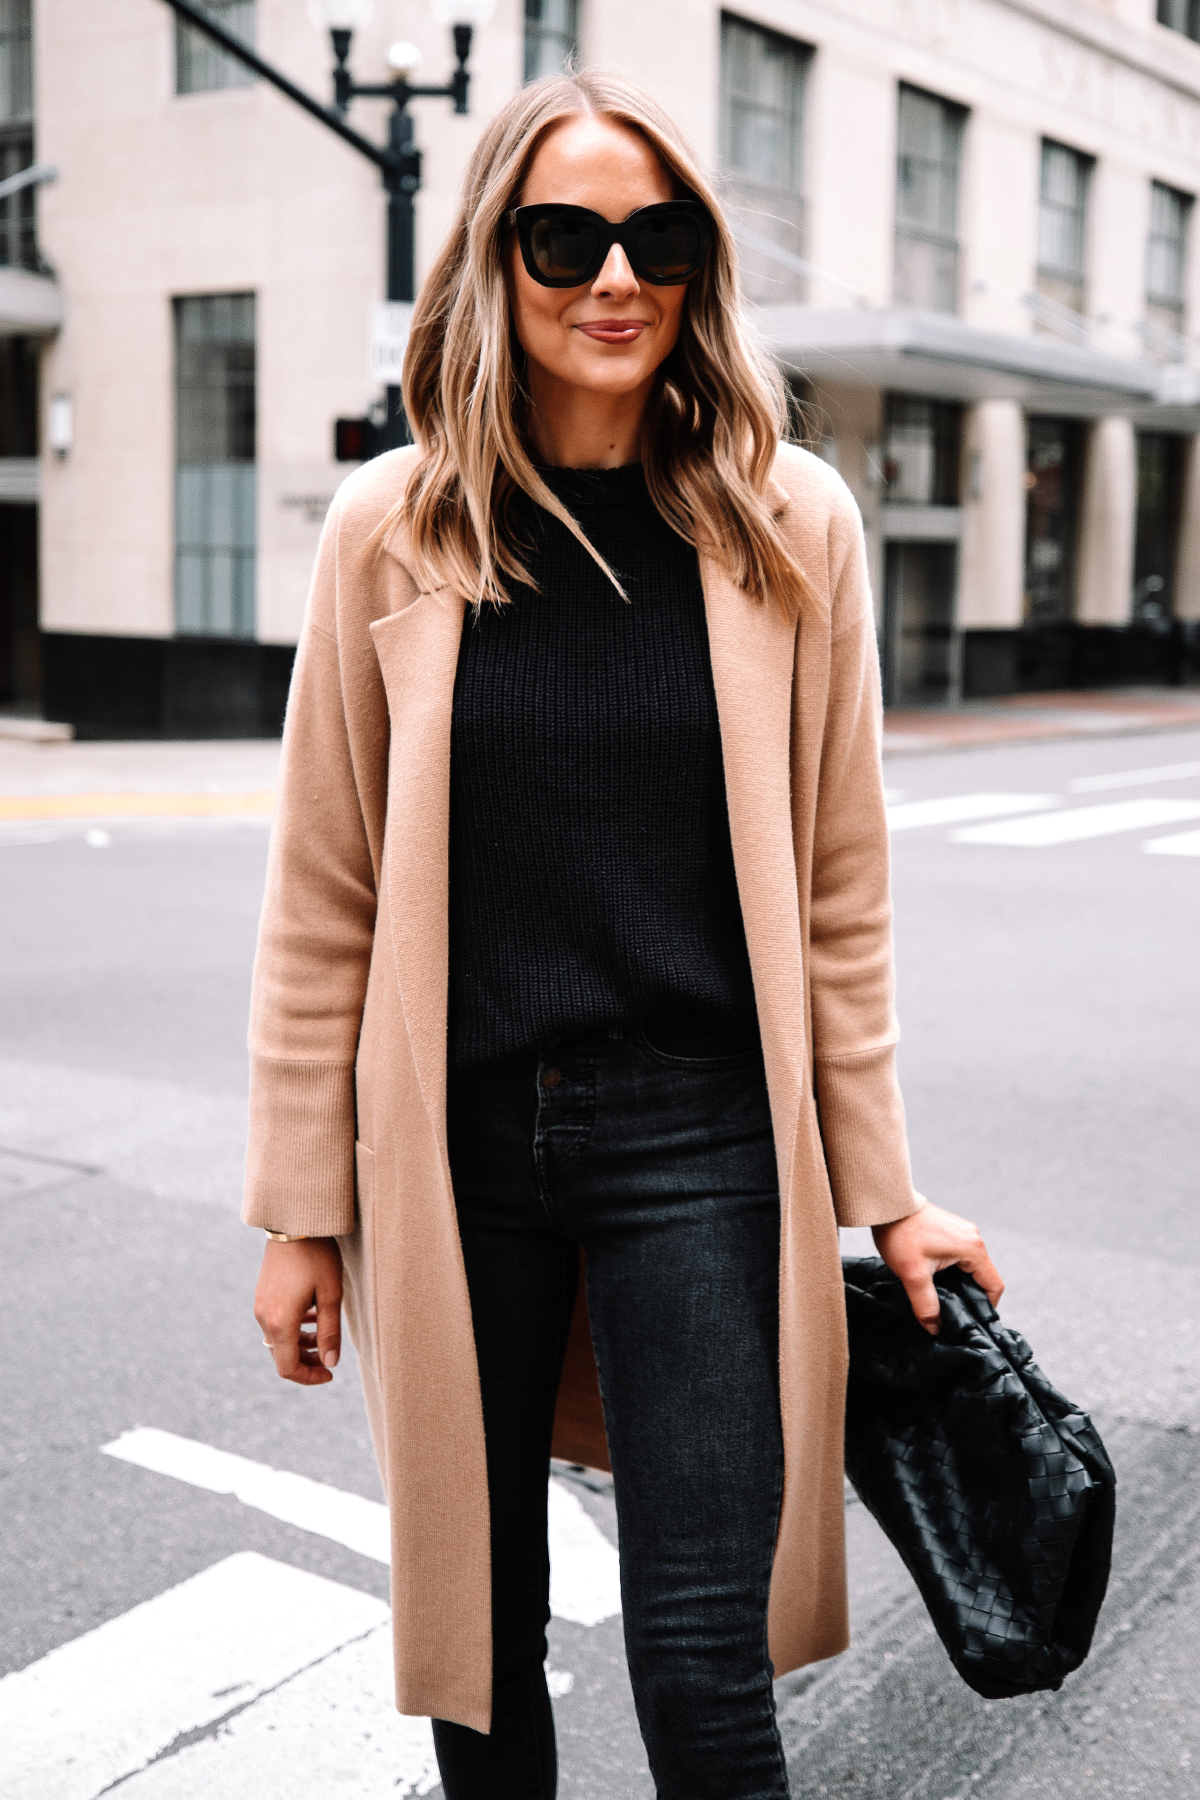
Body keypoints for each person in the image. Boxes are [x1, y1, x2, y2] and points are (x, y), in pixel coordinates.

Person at [245, 68, 1003, 1800]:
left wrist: (886, 1191)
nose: (614, 277)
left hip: (704, 1140)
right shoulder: (395, 527)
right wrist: (299, 1211)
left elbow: (839, 890)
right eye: (565, 236)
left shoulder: (786, 520)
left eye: (655, 237)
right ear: (495, 264)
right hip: (452, 1156)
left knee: (702, 1665)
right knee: (481, 1652)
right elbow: (324, 902)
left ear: (697, 267)